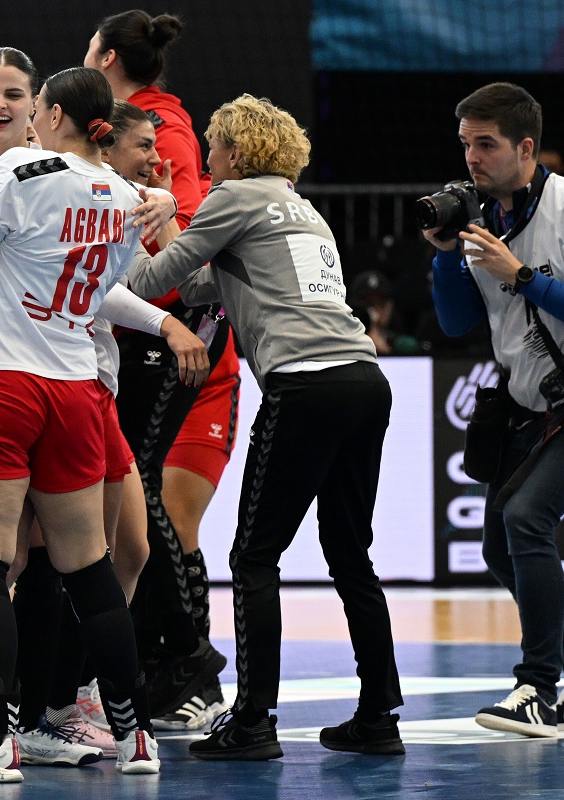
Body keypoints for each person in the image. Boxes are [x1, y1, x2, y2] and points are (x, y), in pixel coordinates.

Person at [0, 66, 164, 781]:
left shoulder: (21, 168)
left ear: (49, 114)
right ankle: (135, 733)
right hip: (76, 385)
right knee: (87, 563)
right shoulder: (127, 195)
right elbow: (123, 260)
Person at [126, 94, 403, 760]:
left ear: (237, 154)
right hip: (364, 382)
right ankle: (378, 715)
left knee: (253, 558)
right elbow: (202, 291)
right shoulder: (303, 211)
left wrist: (148, 217)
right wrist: (176, 233)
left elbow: (150, 281)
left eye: (214, 147)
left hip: (305, 387)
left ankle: (252, 722)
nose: (204, 160)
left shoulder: (233, 197)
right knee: (350, 555)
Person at [86, 8, 240, 729]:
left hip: (181, 334)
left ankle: (190, 667)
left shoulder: (155, 125)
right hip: (149, 329)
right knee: (130, 502)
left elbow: (184, 229)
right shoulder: (115, 128)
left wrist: (159, 205)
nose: (151, 156)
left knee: (151, 505)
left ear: (108, 55)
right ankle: (159, 663)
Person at [426, 82, 564, 739]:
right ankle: (552, 654)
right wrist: (446, 256)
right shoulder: (477, 220)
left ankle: (539, 686)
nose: (472, 158)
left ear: (526, 148)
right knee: (496, 547)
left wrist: (523, 276)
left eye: (486, 145)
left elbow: (525, 286)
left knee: (524, 517)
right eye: (465, 145)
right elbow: (455, 324)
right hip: (524, 407)